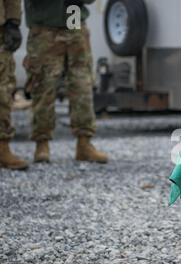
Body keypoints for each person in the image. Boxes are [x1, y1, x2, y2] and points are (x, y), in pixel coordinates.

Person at [23, 0, 108, 163]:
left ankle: (84, 144)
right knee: (43, 85)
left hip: (73, 18)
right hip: (45, 25)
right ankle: (42, 144)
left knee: (81, 85)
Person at [0, 0, 28, 170]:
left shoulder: (74, 10)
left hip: (64, 31)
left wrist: (13, 20)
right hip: (45, 31)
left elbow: (76, 7)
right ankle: (42, 144)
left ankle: (2, 146)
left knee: (2, 91)